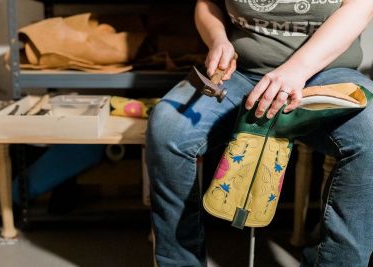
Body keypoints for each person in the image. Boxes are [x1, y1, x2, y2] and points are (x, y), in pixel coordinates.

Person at [145, 0, 373, 266]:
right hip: (241, 74)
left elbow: (361, 7)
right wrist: (218, 40)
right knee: (167, 127)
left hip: (327, 75)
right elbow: (207, 4)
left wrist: (296, 70)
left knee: (371, 131)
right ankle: (180, 262)